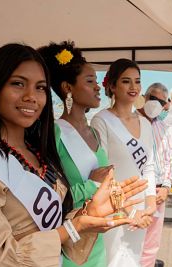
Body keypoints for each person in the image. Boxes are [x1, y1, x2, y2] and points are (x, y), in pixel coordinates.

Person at [0, 43, 147, 267]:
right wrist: (73, 227)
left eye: (40, 87)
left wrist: (88, 213)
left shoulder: (37, 153)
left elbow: (55, 229)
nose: (31, 96)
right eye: (18, 84)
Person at [38, 41, 112, 267]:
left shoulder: (94, 133)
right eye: (90, 82)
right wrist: (91, 185)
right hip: (69, 240)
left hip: (97, 238)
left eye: (97, 81)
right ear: (67, 88)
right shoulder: (54, 133)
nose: (98, 87)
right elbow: (45, 195)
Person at [91, 58, 157, 266]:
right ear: (112, 85)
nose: (134, 87)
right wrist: (130, 211)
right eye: (126, 81)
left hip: (141, 212)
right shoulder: (101, 120)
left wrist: (150, 206)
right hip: (114, 208)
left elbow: (149, 166)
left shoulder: (146, 123)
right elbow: (103, 173)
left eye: (137, 81)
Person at [138, 83, 172, 267]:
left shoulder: (163, 126)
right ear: (144, 97)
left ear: (165, 104)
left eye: (160, 101)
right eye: (152, 98)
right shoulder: (133, 120)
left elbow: (169, 158)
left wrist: (166, 187)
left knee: (152, 242)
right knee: (134, 238)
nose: (155, 103)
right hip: (139, 191)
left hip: (159, 191)